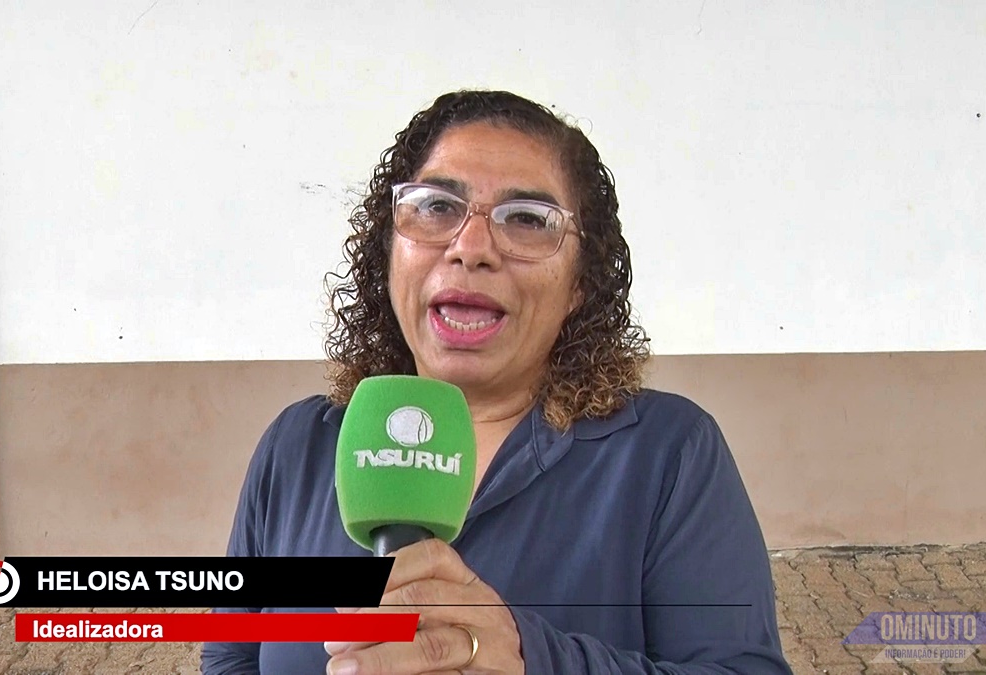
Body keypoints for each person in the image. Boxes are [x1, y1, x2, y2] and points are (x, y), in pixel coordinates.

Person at [202, 90, 792, 674]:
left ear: (580, 283)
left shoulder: (669, 454)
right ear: (389, 251)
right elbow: (231, 655)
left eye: (528, 219)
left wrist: (534, 658)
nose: (471, 248)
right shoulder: (297, 446)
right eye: (437, 207)